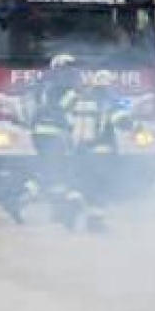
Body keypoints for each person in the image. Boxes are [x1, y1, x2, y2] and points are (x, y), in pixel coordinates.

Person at [58, 69, 136, 233]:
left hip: (79, 151)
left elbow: (62, 110)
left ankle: (70, 209)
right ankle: (94, 223)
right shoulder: (108, 99)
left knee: (79, 184)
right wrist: (136, 127)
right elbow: (120, 120)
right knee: (100, 188)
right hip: (102, 153)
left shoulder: (79, 97)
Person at [4, 53, 78, 225]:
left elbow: (30, 105)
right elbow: (64, 109)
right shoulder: (65, 85)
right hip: (55, 134)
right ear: (62, 67)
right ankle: (17, 200)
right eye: (71, 67)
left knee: (54, 172)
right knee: (54, 173)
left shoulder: (42, 82)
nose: (74, 71)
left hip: (39, 132)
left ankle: (57, 212)